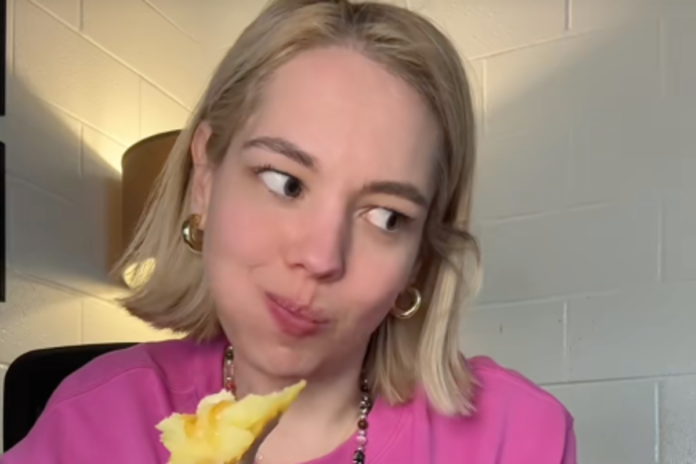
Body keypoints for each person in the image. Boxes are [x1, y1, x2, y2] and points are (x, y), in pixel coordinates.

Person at [1, 0, 576, 463]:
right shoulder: (93, 423)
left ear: (420, 257)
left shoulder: (518, 438)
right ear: (205, 178)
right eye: (285, 183)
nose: (321, 257)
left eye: (386, 217)